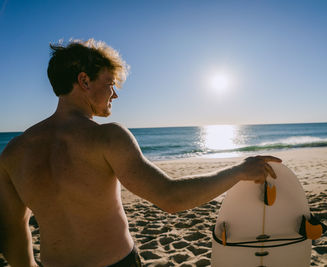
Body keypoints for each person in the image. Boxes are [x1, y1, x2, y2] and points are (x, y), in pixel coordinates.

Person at [0, 39, 281, 267]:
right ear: (84, 81)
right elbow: (170, 198)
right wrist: (238, 171)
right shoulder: (106, 136)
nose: (115, 94)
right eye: (110, 83)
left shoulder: (13, 152)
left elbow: (12, 231)